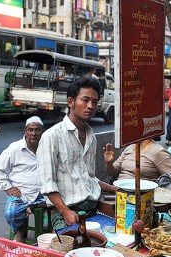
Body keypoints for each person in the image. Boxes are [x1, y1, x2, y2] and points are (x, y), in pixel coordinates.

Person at [37, 77, 118, 230]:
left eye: (94, 102)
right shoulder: (52, 136)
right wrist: (65, 211)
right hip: (66, 213)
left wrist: (115, 189)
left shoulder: (91, 137)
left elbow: (89, 178)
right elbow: (47, 184)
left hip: (94, 208)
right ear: (70, 102)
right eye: (85, 100)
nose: (90, 106)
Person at [0, 117, 45, 242]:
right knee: (11, 213)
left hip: (43, 192)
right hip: (21, 193)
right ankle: (19, 229)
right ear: (25, 131)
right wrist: (8, 187)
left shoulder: (47, 147)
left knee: (63, 202)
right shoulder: (15, 148)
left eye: (37, 130)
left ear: (42, 132)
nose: (33, 133)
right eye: (30, 130)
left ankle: (30, 207)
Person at [103, 138, 171, 182]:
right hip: (119, 191)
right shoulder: (130, 147)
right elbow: (112, 172)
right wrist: (109, 163)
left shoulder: (158, 151)